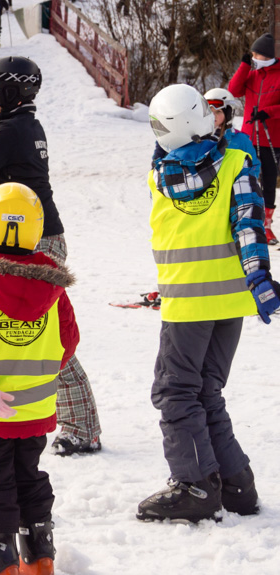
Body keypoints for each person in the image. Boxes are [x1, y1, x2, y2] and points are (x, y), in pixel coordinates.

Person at [0, 56, 102, 456]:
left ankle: (82, 427)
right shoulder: (22, 126)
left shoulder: (9, 130)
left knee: (42, 336)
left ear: (10, 93)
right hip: (22, 237)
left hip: (31, 241)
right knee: (2, 333)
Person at [136, 84, 277, 523]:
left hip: (188, 303)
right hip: (230, 300)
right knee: (205, 391)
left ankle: (196, 486)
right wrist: (260, 280)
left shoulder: (158, 174)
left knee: (175, 391)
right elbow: (250, 225)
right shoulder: (239, 162)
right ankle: (235, 484)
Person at [0, 183, 77, 575]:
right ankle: (39, 557)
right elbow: (68, 340)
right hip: (34, 410)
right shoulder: (52, 284)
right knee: (30, 478)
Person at [228, 33, 280, 245]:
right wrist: (244, 66)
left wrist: (269, 112)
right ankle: (244, 222)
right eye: (252, 53)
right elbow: (233, 90)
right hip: (248, 136)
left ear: (268, 56)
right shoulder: (252, 74)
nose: (254, 57)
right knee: (244, 180)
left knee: (268, 182)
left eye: (257, 54)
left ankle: (266, 226)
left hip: (271, 138)